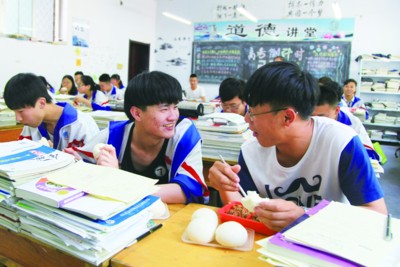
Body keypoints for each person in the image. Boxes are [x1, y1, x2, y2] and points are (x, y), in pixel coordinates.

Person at [208, 62, 387, 232]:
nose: (246, 120)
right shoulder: (251, 151)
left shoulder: (340, 142)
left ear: (287, 117)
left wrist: (305, 217)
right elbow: (244, 209)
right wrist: (227, 186)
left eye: (253, 113)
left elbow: (377, 216)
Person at [68, 71, 209, 204]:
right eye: (164, 109)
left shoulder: (183, 133)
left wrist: (122, 183)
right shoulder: (114, 136)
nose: (173, 116)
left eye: (175, 107)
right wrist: (76, 164)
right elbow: (79, 161)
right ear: (137, 113)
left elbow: (192, 189)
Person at [3, 73, 99, 150]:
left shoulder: (81, 124)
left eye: (20, 111)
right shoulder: (31, 125)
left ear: (41, 103)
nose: (18, 119)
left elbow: (96, 167)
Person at [313, 80, 380, 162]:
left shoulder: (353, 123)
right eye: (312, 116)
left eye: (322, 116)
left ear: (337, 110)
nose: (316, 121)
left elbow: (368, 153)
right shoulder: (304, 116)